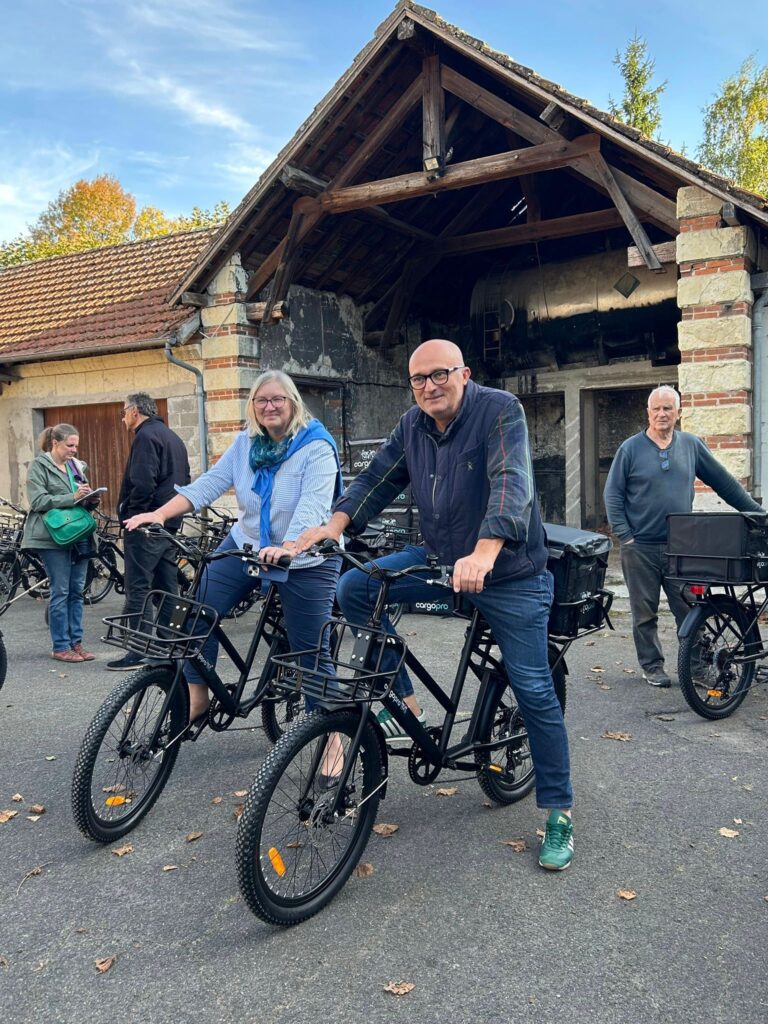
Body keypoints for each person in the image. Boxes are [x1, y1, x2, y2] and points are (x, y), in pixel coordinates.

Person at [296, 339, 575, 872]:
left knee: (534, 688)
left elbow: (511, 483)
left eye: (439, 375)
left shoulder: (500, 411)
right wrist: (332, 528)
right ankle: (401, 697)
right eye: (419, 379)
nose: (429, 386)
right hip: (440, 558)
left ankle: (559, 810)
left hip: (509, 570)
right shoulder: (412, 425)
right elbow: (376, 479)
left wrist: (487, 549)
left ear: (463, 374)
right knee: (355, 589)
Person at [123, 370, 343, 723]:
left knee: (311, 649)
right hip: (248, 544)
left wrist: (290, 546)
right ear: (252, 407)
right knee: (195, 612)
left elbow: (313, 506)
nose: (269, 406)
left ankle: (331, 733)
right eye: (262, 400)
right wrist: (160, 514)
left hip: (307, 557)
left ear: (292, 403)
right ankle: (198, 697)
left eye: (277, 399)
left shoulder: (315, 446)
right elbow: (210, 483)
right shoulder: (246, 444)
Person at [604, 384, 763, 688]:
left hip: (681, 547)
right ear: (648, 413)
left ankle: (697, 670)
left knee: (691, 610)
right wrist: (625, 535)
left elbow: (724, 483)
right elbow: (613, 494)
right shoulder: (630, 448)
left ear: (679, 412)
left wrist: (757, 514)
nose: (662, 414)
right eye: (656, 409)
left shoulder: (691, 445)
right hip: (640, 548)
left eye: (668, 408)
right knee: (644, 614)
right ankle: (652, 667)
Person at [108, 393, 191, 671]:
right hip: (169, 524)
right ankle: (169, 642)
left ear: (134, 411)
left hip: (145, 524)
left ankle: (138, 649)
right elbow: (186, 480)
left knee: (138, 587)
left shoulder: (146, 437)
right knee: (169, 586)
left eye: (123, 412)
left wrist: (133, 515)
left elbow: (143, 480)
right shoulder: (173, 437)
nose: (122, 419)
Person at [22, 424, 99, 663]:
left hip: (79, 534)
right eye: (70, 445)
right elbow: (38, 501)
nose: (74, 450)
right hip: (52, 536)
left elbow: (80, 500)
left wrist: (90, 499)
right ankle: (60, 646)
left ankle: (76, 643)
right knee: (61, 591)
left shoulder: (77, 466)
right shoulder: (39, 466)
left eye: (76, 445)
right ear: (55, 443)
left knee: (77, 591)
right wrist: (72, 497)